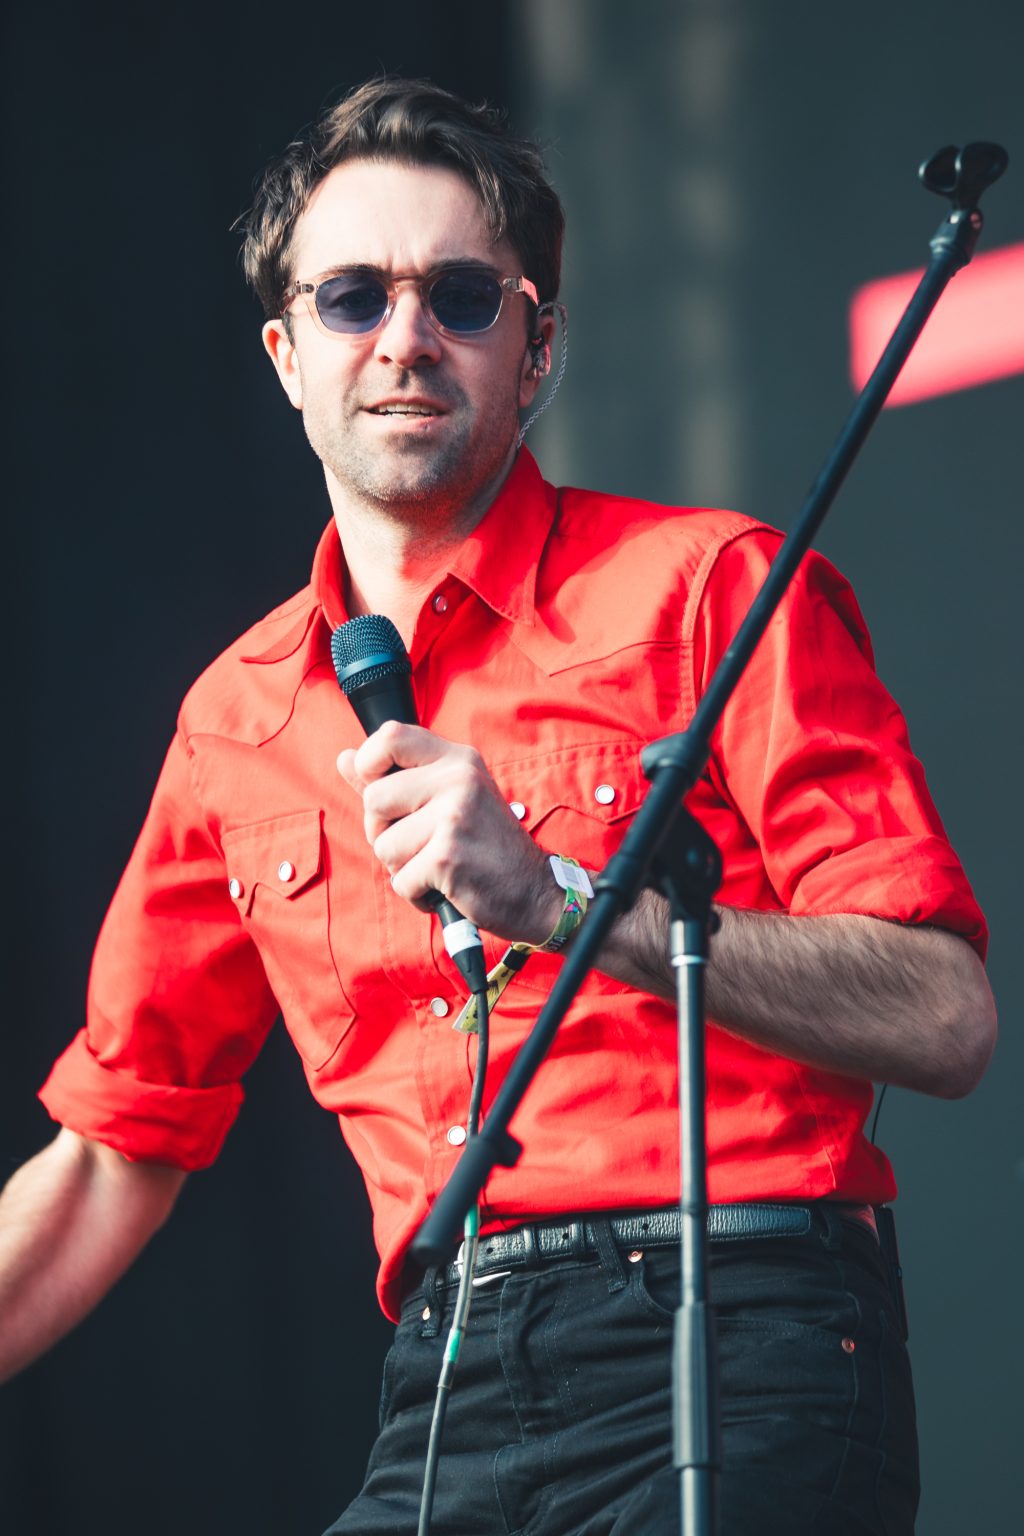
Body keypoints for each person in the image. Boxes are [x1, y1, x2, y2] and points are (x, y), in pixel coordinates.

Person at [0, 77, 996, 1535]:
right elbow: (109, 1156)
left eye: (463, 295)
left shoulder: (707, 588)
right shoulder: (239, 718)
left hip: (738, 1322)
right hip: (449, 1370)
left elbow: (946, 1016)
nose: (405, 338)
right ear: (285, 353)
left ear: (538, 348)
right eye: (352, 297)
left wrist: (564, 903)